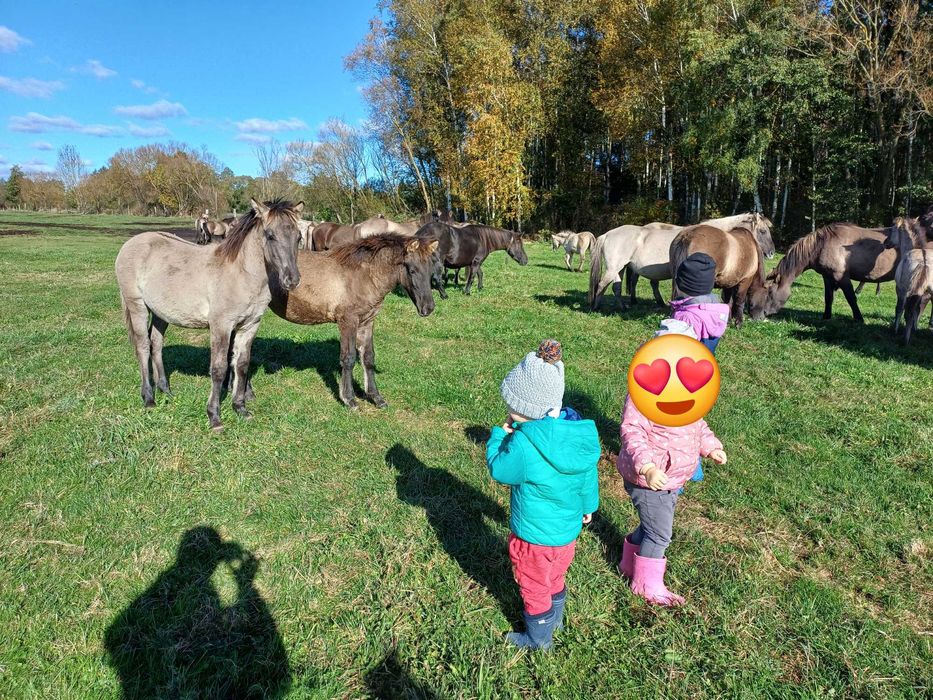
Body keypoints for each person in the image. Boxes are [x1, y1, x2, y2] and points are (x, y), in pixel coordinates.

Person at [486, 339, 600, 650]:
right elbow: (588, 474)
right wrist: (589, 506)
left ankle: (539, 639)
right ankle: (556, 618)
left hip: (533, 537)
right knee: (555, 576)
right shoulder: (576, 437)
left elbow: (499, 469)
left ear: (520, 408)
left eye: (510, 403)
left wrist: (499, 435)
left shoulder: (523, 444)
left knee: (533, 584)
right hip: (567, 532)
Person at [616, 320, 728, 606]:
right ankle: (646, 585)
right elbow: (632, 430)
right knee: (660, 534)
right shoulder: (644, 392)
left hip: (671, 476)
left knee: (650, 525)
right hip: (649, 477)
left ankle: (629, 564)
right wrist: (647, 466)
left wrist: (711, 446)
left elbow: (697, 425)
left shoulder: (687, 393)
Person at [670, 252, 730, 485]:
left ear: (683, 284)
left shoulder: (687, 317)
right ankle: (694, 467)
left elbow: (674, 350)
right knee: (693, 421)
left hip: (679, 379)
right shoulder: (715, 312)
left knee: (675, 428)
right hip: (702, 377)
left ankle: (680, 474)